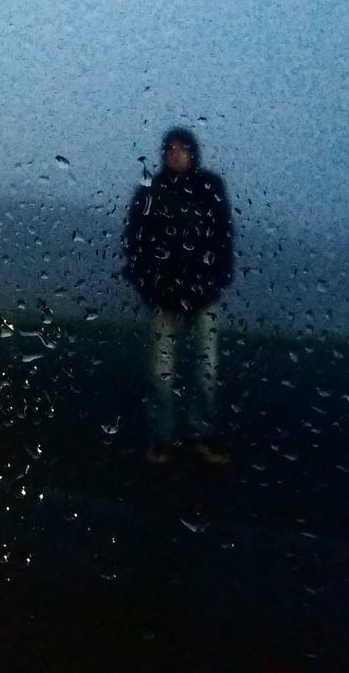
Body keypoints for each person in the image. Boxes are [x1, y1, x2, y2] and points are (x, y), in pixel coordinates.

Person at [122, 127, 234, 464]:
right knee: (160, 373)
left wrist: (215, 280)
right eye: (169, 149)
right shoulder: (150, 192)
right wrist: (148, 285)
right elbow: (135, 241)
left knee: (207, 371)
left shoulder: (210, 187)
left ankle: (202, 432)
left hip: (204, 295)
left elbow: (222, 235)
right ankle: (163, 437)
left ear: (193, 152)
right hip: (162, 295)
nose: (174, 154)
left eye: (181, 148)